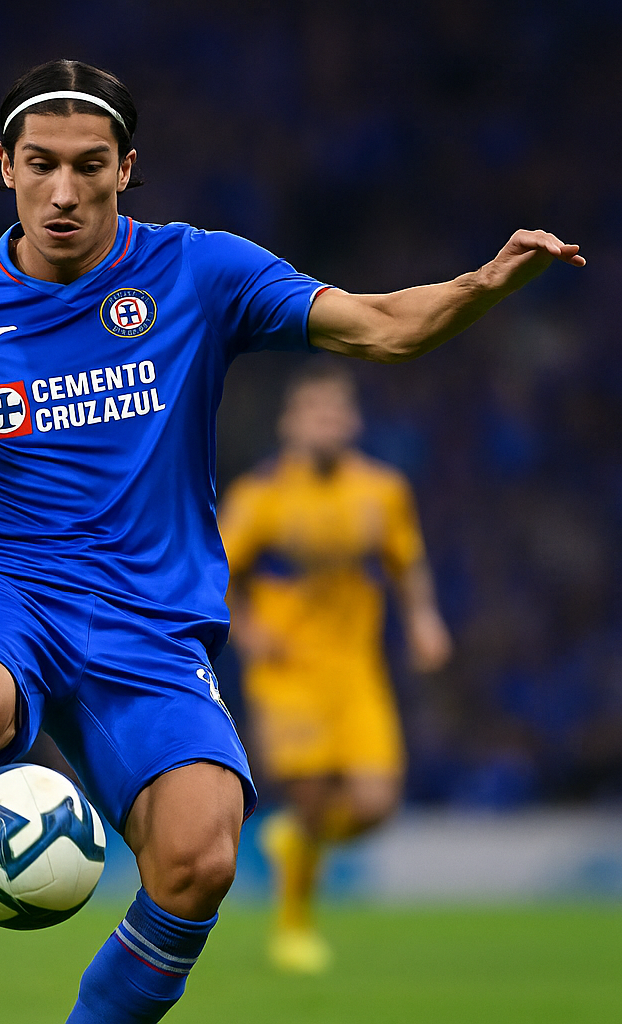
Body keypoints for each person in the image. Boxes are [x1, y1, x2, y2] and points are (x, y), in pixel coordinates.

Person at [0, 58, 581, 1023]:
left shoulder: (199, 271)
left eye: (89, 165)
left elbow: (380, 328)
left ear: (127, 167)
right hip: (7, 585)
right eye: (41, 164)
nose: (64, 191)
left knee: (201, 857)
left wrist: (489, 278)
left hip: (149, 619)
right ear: (5, 167)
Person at [220, 361, 451, 974]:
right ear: (290, 422)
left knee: (375, 804)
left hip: (357, 670)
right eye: (313, 411)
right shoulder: (260, 497)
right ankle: (294, 925)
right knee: (313, 792)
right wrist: (249, 627)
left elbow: (408, 562)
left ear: (352, 422)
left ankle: (293, 842)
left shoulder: (382, 491)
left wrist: (424, 619)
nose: (326, 423)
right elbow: (218, 576)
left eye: (336, 412)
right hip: (289, 671)